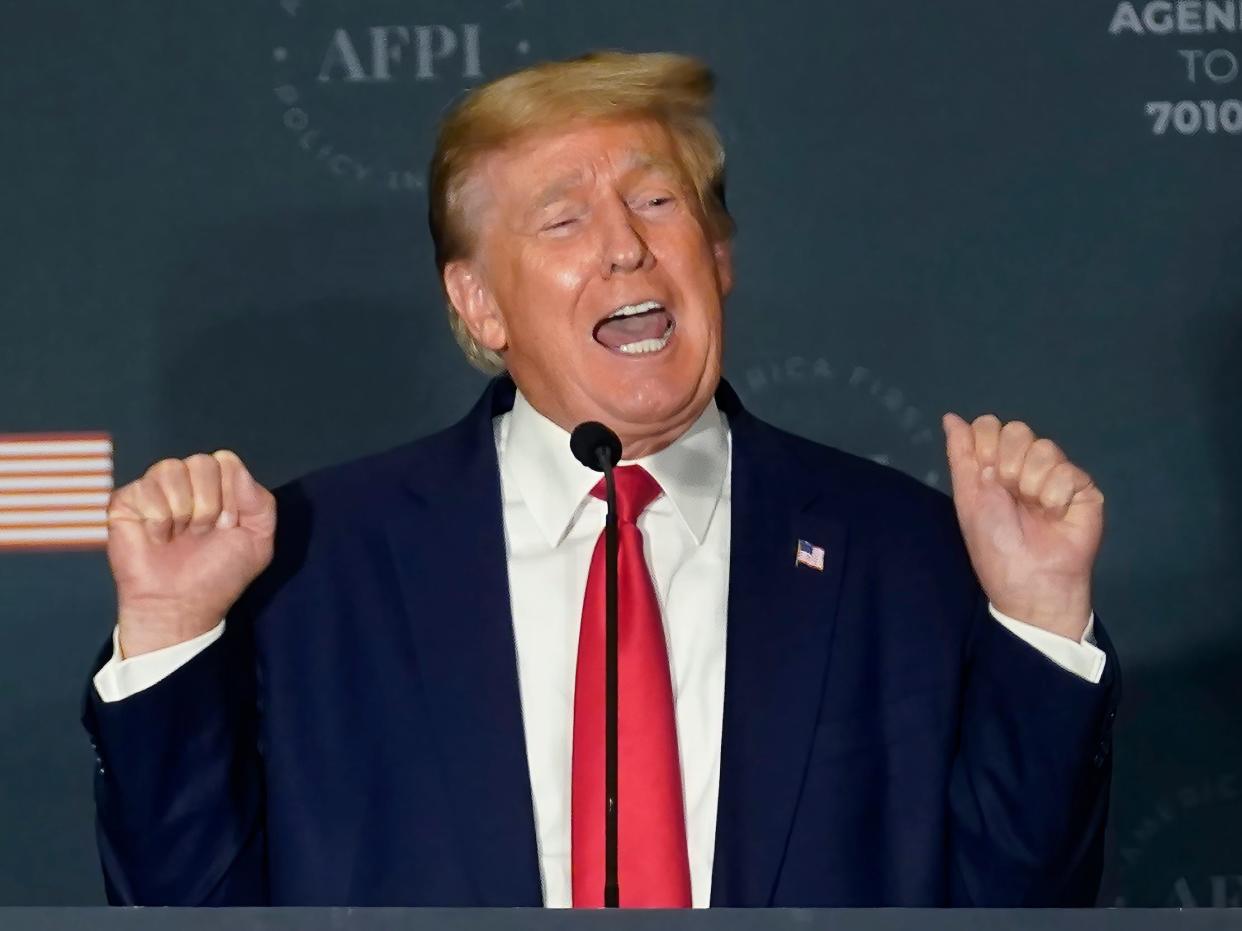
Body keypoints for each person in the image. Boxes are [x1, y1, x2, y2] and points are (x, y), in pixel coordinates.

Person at [84, 51, 1118, 908]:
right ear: (479, 303)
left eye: (657, 201)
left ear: (718, 256)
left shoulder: (904, 554)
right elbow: (184, 909)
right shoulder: (316, 567)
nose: (625, 247)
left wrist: (1035, 620)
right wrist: (173, 634)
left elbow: (1025, 907)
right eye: (565, 218)